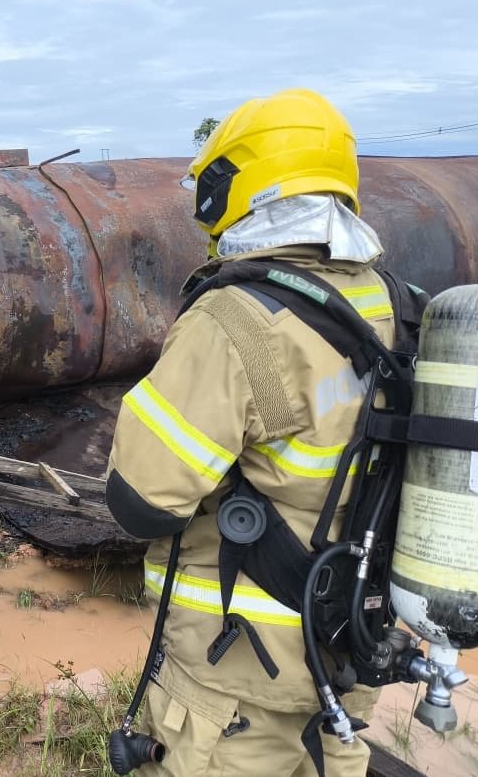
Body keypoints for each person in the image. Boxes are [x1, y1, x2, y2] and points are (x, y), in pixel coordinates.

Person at [106, 88, 395, 776]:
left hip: (238, 672)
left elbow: (141, 501)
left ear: (237, 188)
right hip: (350, 648)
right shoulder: (390, 305)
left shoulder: (235, 320)